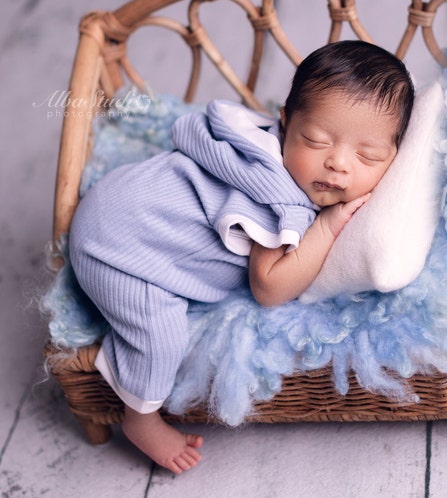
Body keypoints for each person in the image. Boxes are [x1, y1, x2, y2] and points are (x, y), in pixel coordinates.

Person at [68, 39, 414, 474]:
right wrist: (326, 227)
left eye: (368, 155)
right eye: (316, 140)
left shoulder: (255, 139)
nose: (338, 164)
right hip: (119, 253)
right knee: (159, 335)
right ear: (285, 123)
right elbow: (269, 287)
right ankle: (140, 418)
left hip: (119, 200)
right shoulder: (277, 194)